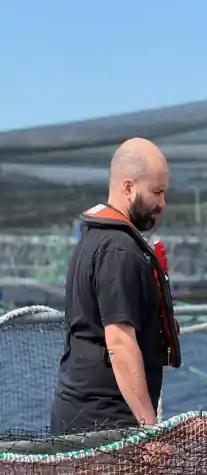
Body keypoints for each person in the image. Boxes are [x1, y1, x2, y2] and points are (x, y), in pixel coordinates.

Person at [50, 137, 180, 434]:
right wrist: (149, 427)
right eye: (156, 192)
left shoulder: (93, 239)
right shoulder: (119, 250)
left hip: (80, 413)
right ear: (129, 187)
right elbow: (119, 342)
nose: (162, 204)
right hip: (105, 422)